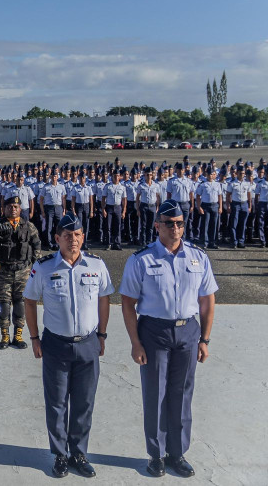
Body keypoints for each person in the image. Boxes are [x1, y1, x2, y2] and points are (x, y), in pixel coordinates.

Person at [119, 199, 217, 478]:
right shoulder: (141, 259)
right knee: (156, 394)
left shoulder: (198, 257)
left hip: (188, 331)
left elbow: (207, 300)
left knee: (182, 393)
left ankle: (178, 452)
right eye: (169, 224)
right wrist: (135, 342)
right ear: (157, 226)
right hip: (154, 332)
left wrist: (204, 339)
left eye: (179, 224)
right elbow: (128, 302)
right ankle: (156, 454)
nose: (175, 228)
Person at [23, 212, 113, 478]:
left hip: (87, 343)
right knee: (57, 403)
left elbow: (105, 298)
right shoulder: (44, 267)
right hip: (55, 344)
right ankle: (60, 454)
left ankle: (79, 452)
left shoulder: (96, 265)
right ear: (57, 238)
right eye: (67, 236)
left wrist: (103, 335)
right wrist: (35, 337)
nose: (73, 240)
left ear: (82, 236)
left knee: (84, 402)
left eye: (77, 235)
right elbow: (29, 300)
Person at [0, 194, 41, 349]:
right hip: (3, 271)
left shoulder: (28, 226)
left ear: (20, 209)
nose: (13, 209)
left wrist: (36, 267)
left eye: (15, 207)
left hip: (23, 271)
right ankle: (5, 336)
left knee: (20, 303)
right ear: (4, 208)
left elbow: (36, 246)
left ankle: (18, 335)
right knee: (4, 304)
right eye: (9, 207)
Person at [102, 169, 127, 250]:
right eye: (114, 176)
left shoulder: (122, 187)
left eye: (117, 176)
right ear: (112, 177)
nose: (116, 177)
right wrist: (103, 209)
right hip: (109, 207)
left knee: (118, 226)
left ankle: (117, 243)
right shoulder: (107, 186)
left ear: (120, 177)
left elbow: (124, 200)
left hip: (118, 207)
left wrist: (124, 211)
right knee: (108, 226)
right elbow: (103, 198)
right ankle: (109, 243)